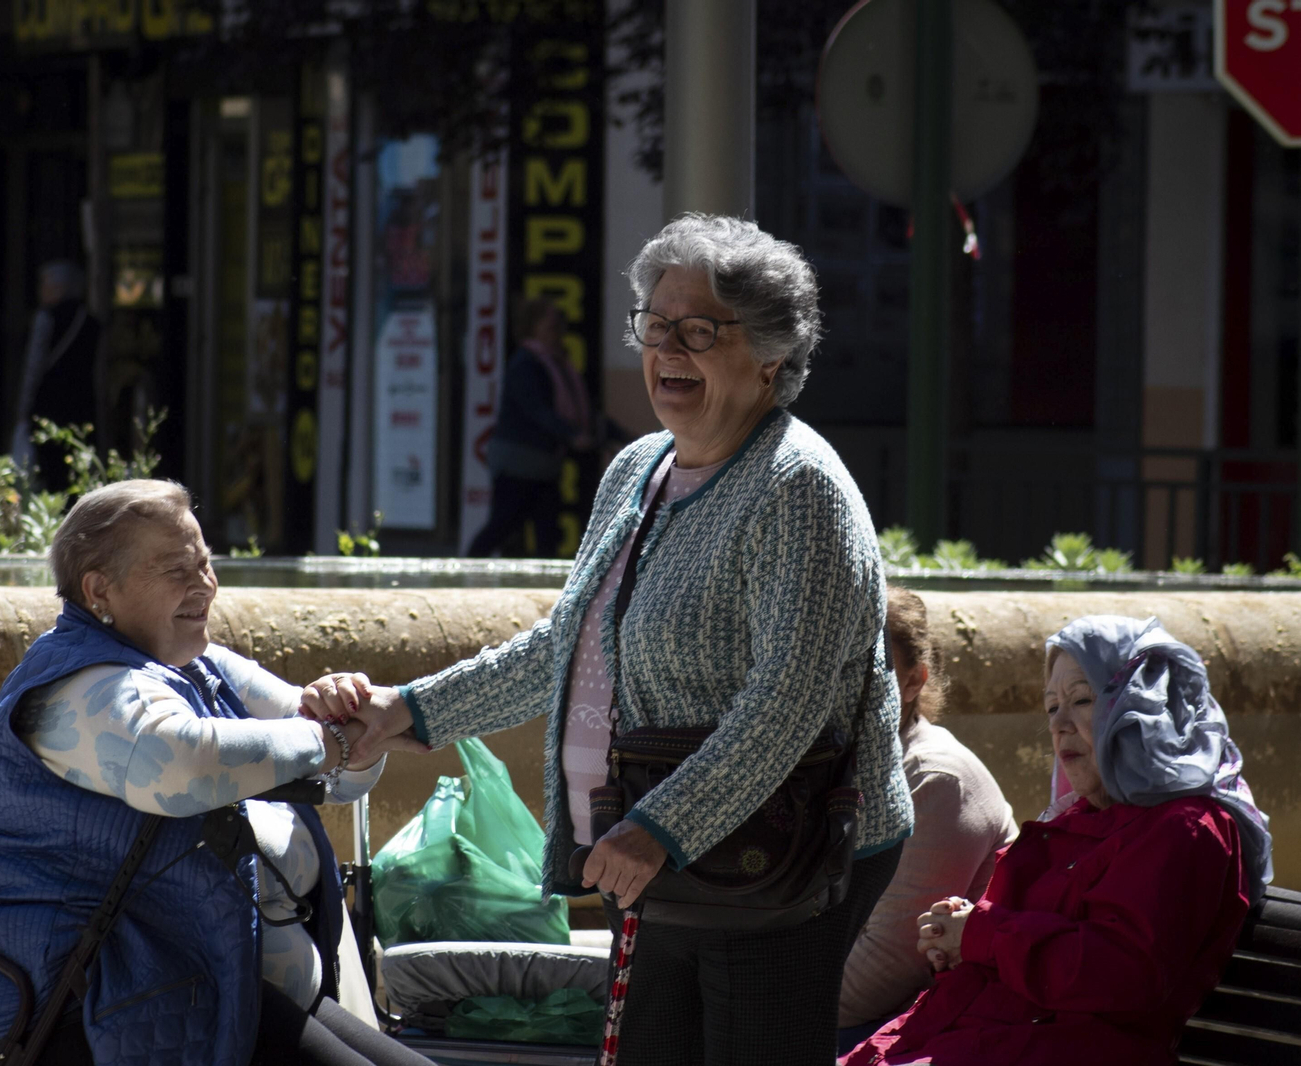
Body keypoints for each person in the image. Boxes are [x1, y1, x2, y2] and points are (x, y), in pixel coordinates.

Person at [349, 214, 915, 1066]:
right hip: (646, 850)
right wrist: (407, 711)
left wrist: (662, 828)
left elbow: (787, 702)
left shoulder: (800, 488)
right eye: (656, 325)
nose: (668, 349)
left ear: (770, 357)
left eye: (700, 329)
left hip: (775, 856)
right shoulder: (636, 469)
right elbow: (564, 650)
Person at [0, 479, 432, 1066]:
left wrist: (347, 714)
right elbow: (182, 767)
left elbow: (336, 774)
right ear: (100, 589)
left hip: (214, 982)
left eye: (205, 563)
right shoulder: (77, 689)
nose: (203, 584)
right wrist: (329, 738)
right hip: (100, 1004)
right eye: (177, 569)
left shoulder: (196, 662)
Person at [844, 615, 1274, 1066]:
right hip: (965, 1040)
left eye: (1083, 700)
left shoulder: (1187, 829)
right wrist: (956, 937)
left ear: (1145, 705)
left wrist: (981, 936)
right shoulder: (1079, 818)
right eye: (1052, 708)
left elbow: (1121, 974)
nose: (1060, 725)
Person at [836, 588, 1018, 1053]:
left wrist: (756, 1006)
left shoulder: (936, 778)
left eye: (876, 672)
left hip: (919, 1025)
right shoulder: (839, 763)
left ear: (915, 681)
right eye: (838, 668)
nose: (850, 687)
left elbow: (883, 973)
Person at [466, 297, 593, 558]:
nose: (557, 330)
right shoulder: (526, 363)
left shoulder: (560, 363)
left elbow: (582, 412)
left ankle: (548, 594)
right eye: (551, 325)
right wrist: (573, 436)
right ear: (533, 327)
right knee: (502, 526)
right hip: (519, 465)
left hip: (545, 467)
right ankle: (465, 572)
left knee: (547, 535)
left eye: (559, 325)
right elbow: (536, 410)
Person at [12, 260, 103, 488]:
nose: (41, 290)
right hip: (82, 405)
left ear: (59, 287)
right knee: (76, 468)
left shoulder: (46, 318)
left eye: (45, 285)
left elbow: (33, 368)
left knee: (49, 469)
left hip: (49, 404)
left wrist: (23, 411)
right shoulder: (91, 321)